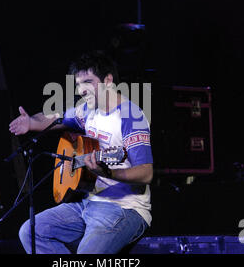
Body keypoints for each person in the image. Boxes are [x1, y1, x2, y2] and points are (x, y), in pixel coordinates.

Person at [9, 50, 153, 254]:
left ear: (108, 80)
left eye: (87, 82)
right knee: (31, 232)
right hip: (88, 203)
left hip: (125, 208)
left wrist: (111, 173)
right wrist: (32, 122)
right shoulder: (88, 111)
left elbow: (146, 173)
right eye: (78, 85)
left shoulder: (131, 116)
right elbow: (56, 118)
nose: (81, 90)